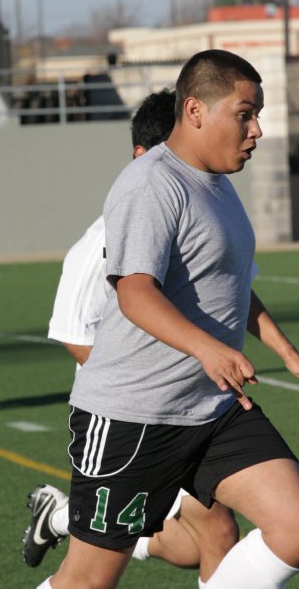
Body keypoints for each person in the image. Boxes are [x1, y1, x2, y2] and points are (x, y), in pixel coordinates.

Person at [37, 49, 299, 589]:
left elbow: (228, 286)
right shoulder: (151, 184)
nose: (257, 131)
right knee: (88, 579)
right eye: (245, 114)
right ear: (196, 110)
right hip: (134, 418)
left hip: (213, 411)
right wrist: (209, 349)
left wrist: (286, 351)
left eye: (258, 116)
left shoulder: (219, 187)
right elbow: (135, 293)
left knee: (295, 524)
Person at [23, 91, 239, 585]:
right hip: (129, 421)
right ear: (145, 159)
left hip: (194, 412)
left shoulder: (199, 213)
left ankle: (56, 517)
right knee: (211, 534)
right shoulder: (96, 244)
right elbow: (73, 334)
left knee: (195, 546)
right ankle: (60, 518)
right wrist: (150, 376)